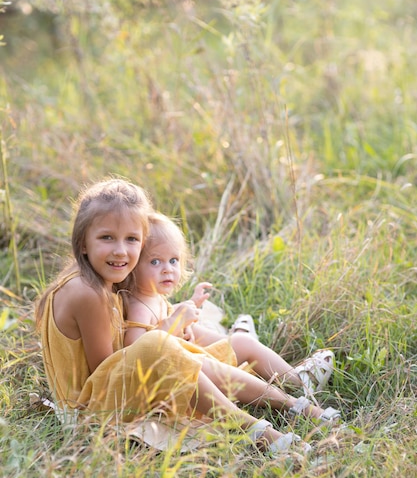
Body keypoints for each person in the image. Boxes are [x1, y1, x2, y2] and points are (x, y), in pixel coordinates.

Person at [34, 178, 325, 456]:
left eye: (132, 239)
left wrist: (172, 343)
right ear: (82, 243)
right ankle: (251, 428)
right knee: (162, 348)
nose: (121, 250)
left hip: (108, 393)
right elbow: (105, 370)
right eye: (107, 238)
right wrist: (166, 341)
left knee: (181, 351)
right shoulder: (87, 293)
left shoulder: (99, 282)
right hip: (90, 414)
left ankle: (293, 403)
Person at [124, 211, 341, 426]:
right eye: (155, 262)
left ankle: (296, 381)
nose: (167, 270)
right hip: (185, 381)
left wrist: (188, 312)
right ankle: (290, 388)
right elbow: (138, 352)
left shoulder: (155, 298)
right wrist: (177, 322)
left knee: (241, 343)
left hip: (196, 365)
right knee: (236, 344)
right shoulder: (138, 308)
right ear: (133, 266)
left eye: (173, 260)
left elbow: (176, 336)